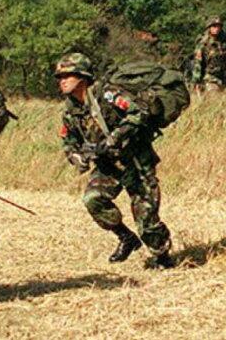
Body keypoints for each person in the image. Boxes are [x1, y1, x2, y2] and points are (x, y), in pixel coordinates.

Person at [54, 52, 174, 269]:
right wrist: (77, 156)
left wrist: (114, 138)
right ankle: (126, 237)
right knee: (93, 199)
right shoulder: (70, 109)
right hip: (108, 165)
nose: (62, 81)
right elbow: (67, 139)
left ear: (82, 77)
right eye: (60, 77)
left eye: (67, 76)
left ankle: (161, 255)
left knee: (146, 215)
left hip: (135, 160)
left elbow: (138, 111)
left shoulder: (106, 94)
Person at [190, 17, 226, 93]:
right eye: (214, 26)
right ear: (209, 28)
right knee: (214, 99)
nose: (217, 28)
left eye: (219, 26)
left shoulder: (225, 40)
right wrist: (196, 80)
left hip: (224, 78)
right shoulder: (203, 43)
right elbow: (197, 63)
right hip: (210, 78)